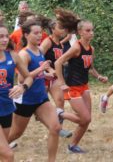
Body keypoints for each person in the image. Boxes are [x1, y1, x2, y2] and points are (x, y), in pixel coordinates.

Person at [8, 19, 61, 162]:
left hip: (41, 98)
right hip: (26, 100)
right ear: (26, 35)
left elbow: (36, 74)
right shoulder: (24, 54)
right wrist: (41, 70)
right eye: (35, 33)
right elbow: (21, 80)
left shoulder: (40, 50)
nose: (39, 36)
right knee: (14, 135)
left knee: (55, 128)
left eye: (40, 33)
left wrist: (45, 74)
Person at [55, 19, 108, 153]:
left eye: (92, 30)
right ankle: (59, 113)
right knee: (85, 118)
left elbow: (90, 67)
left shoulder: (91, 49)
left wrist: (99, 76)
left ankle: (72, 146)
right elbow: (58, 62)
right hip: (73, 87)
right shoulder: (76, 47)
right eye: (88, 30)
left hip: (84, 86)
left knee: (85, 121)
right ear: (80, 32)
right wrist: (62, 83)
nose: (91, 33)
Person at [40, 18, 78, 138]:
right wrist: (48, 69)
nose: (62, 30)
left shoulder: (60, 44)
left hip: (55, 78)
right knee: (38, 106)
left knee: (60, 101)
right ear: (52, 29)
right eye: (60, 28)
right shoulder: (47, 41)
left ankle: (59, 129)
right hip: (43, 78)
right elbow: (38, 57)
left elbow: (58, 60)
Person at [0, 24, 33, 162]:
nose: (4, 39)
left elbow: (29, 76)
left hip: (6, 108)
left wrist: (23, 87)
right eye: (1, 36)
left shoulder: (12, 56)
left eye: (6, 36)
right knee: (8, 155)